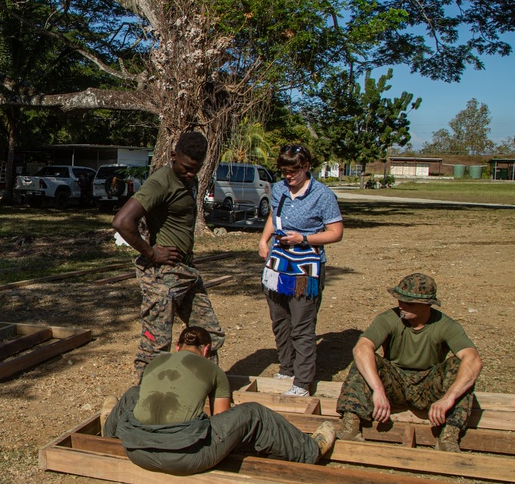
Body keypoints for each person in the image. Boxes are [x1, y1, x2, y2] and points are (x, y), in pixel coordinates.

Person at [102, 327, 336, 475]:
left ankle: (108, 432)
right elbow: (219, 419)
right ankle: (310, 450)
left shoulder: (154, 363)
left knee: (135, 393)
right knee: (254, 413)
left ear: (177, 347)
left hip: (136, 450)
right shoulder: (213, 370)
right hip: (187, 458)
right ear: (205, 350)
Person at [112, 131, 225, 381]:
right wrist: (151, 252)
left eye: (196, 169)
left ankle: (204, 391)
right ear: (173, 156)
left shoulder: (188, 181)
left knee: (210, 336)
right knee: (156, 348)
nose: (190, 173)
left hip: (185, 271)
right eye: (186, 167)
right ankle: (144, 406)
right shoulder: (160, 181)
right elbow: (121, 221)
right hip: (163, 277)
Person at [336, 273, 483, 452]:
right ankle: (350, 427)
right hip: (395, 382)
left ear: (427, 305)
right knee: (364, 361)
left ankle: (448, 437)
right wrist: (378, 390)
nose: (401, 305)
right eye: (400, 300)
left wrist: (447, 398)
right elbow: (361, 348)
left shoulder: (445, 325)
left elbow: (473, 359)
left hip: (429, 384)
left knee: (460, 367)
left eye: (409, 303)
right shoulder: (389, 318)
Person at [258, 144, 342, 397]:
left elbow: (336, 233)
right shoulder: (280, 189)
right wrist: (264, 240)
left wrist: (303, 239)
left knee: (302, 324)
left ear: (306, 167)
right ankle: (287, 366)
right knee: (280, 319)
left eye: (293, 171)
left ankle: (303, 381)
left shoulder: (322, 195)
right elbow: (274, 216)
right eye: (284, 171)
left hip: (306, 267)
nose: (288, 176)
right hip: (277, 264)